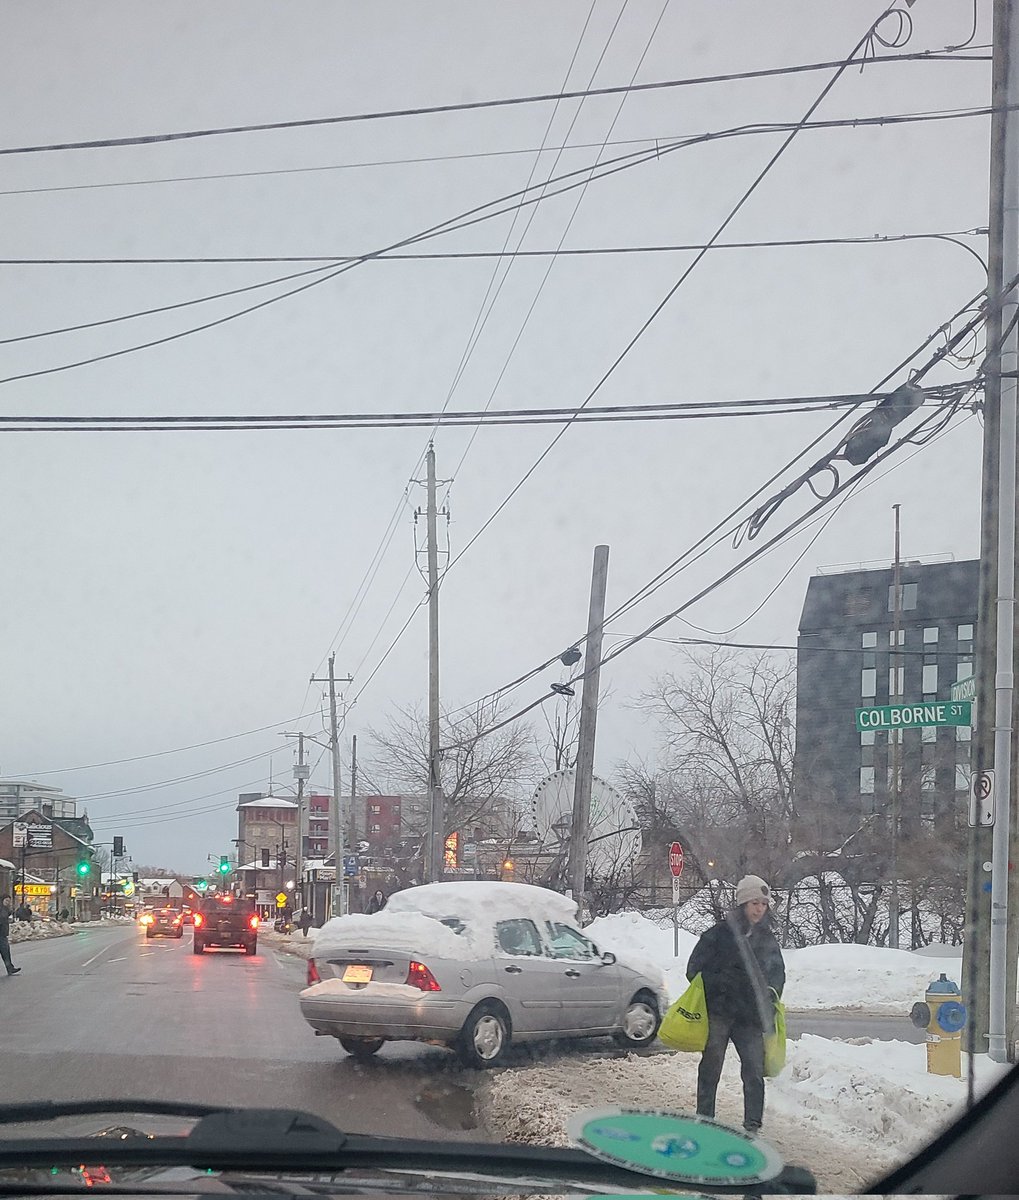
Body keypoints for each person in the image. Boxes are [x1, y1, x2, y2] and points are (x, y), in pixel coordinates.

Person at [685, 874, 785, 1134]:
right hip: (720, 1013)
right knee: (711, 1068)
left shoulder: (767, 939)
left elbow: (777, 974)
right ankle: (705, 1119)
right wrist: (719, 986)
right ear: (742, 904)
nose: (759, 909)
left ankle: (753, 1125)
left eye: (763, 904)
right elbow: (693, 970)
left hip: (750, 1018)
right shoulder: (718, 935)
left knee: (754, 1071)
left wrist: (771, 997)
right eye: (754, 903)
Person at [0, 897, 21, 976]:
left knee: (6, 953)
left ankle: (10, 968)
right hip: (1, 934)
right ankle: (10, 968)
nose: (7, 902)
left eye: (9, 901)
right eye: (6, 900)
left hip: (3, 934)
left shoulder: (5, 909)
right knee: (5, 952)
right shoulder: (1, 909)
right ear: (2, 900)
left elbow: (9, 914)